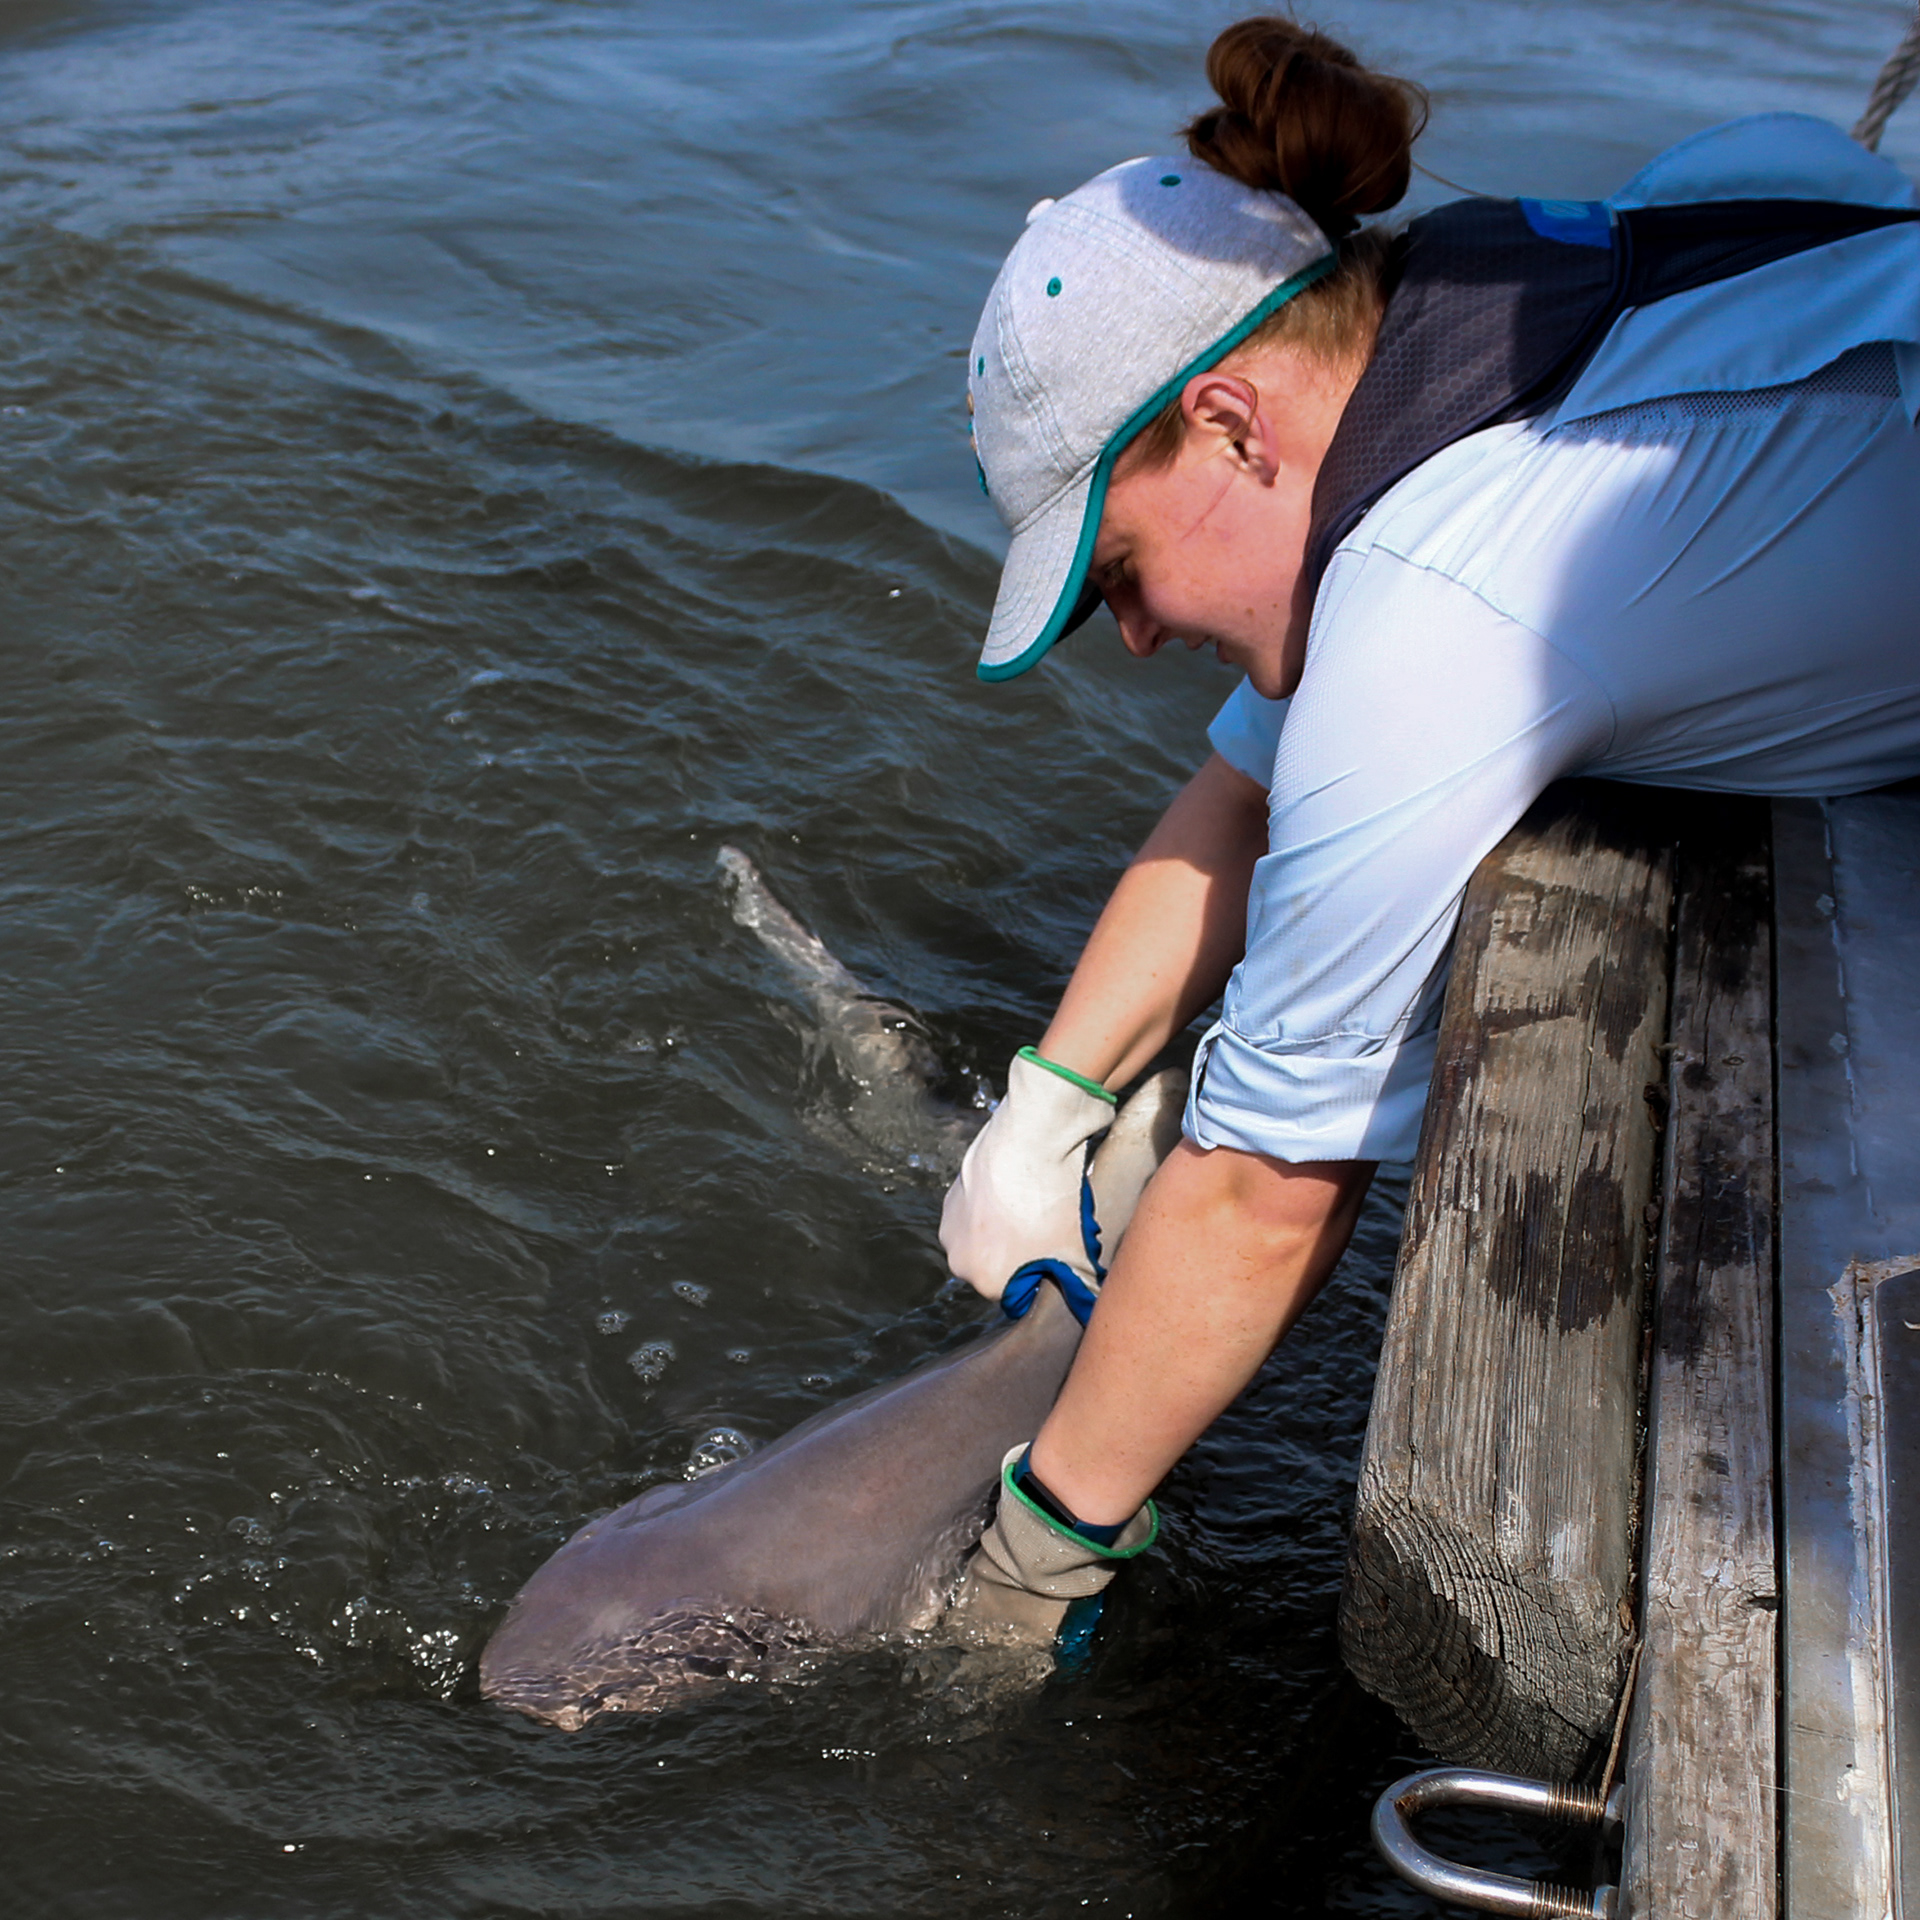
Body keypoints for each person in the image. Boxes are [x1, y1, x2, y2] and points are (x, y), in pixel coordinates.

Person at [936, 16, 1920, 1644]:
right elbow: (1252, 790)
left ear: (1239, 425)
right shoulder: (1496, 312)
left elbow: (1264, 1191)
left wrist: (1039, 1553)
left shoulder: (1438, 607)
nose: (1129, 634)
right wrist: (1052, 1098)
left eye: (1114, 574)